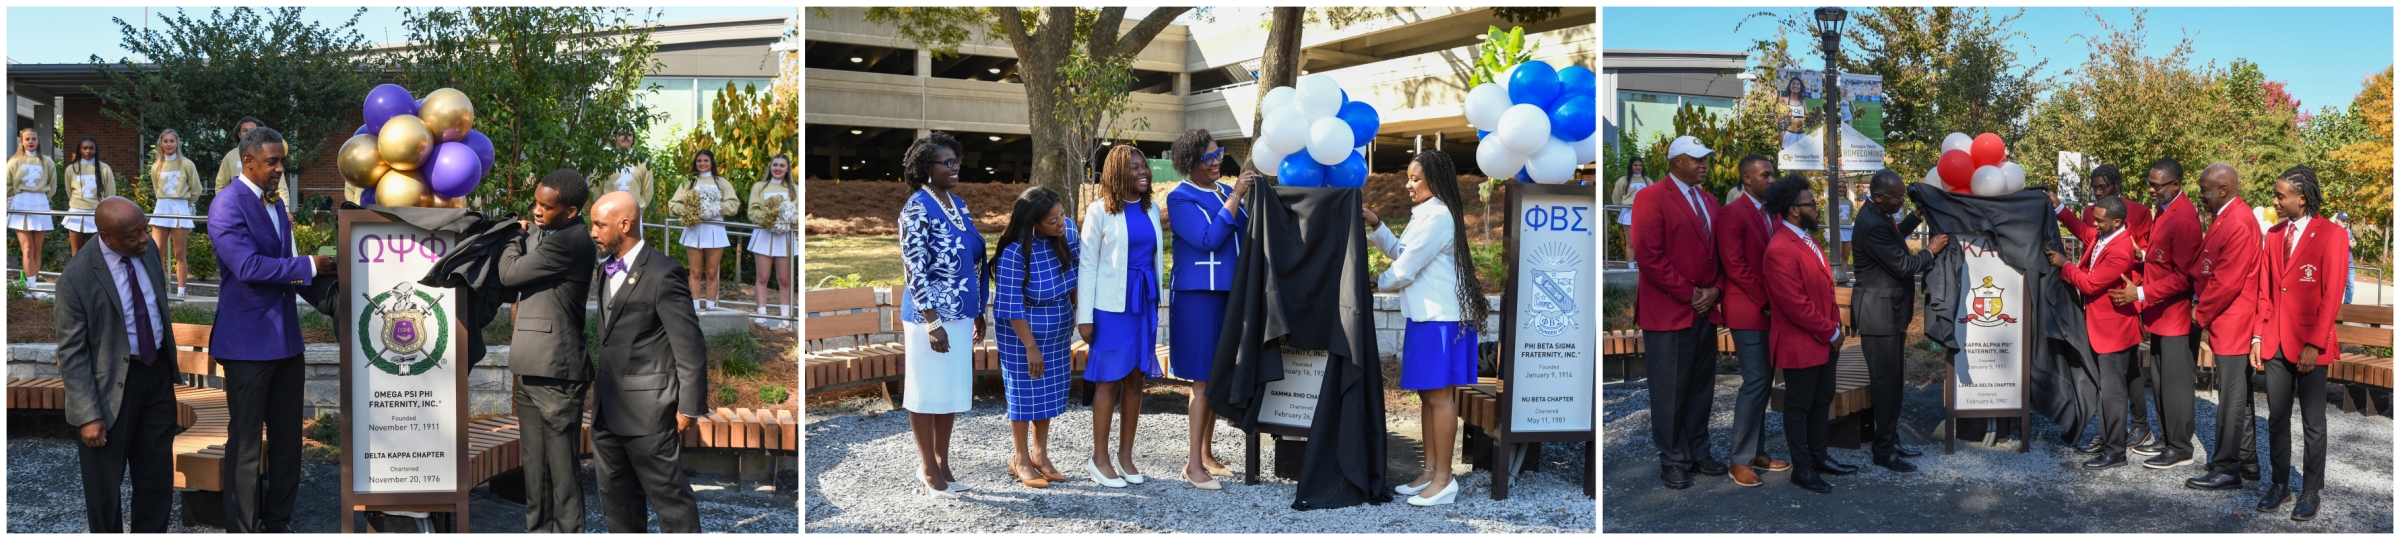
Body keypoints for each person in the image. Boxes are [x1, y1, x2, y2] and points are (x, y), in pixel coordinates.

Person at [205, 127, 335, 532]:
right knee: (245, 447)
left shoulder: (277, 205)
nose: (281, 168)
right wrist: (312, 264)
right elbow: (248, 268)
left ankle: (278, 523)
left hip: (286, 343)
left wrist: (342, 304)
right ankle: (242, 529)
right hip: (245, 346)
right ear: (247, 163)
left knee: (287, 445)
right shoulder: (226, 205)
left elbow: (289, 271)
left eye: (281, 161)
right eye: (272, 162)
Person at [1361, 150, 1491, 506]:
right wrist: (1376, 224)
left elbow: (1405, 269)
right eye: (1408, 177)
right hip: (1427, 317)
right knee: (1426, 394)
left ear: (1434, 180)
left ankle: (1445, 480)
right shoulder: (1427, 214)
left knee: (1439, 396)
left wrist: (1374, 281)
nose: (1408, 184)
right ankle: (1430, 471)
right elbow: (1404, 252)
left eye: (1415, 179)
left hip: (1441, 319)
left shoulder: (1437, 216)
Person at [585, 191, 706, 531]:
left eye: (599, 225)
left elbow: (690, 345)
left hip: (650, 413)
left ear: (625, 224)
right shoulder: (605, 269)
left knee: (670, 502)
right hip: (607, 409)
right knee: (617, 502)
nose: (593, 233)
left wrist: (689, 406)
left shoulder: (665, 273)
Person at [57, 197, 176, 532]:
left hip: (156, 378)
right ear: (107, 238)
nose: (144, 238)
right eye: (133, 235)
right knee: (104, 490)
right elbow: (72, 352)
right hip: (109, 390)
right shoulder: (76, 278)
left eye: (144, 228)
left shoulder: (146, 248)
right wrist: (87, 415)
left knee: (156, 481)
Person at [499, 171, 598, 533]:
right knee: (535, 471)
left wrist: (514, 236)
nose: (537, 211)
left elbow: (510, 275)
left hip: (558, 372)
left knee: (563, 475)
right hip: (530, 364)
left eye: (546, 206)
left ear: (571, 211)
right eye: (536, 203)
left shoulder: (571, 242)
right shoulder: (550, 233)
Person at [2254, 165, 2346, 521]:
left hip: (2310, 344)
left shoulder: (2332, 235)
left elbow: (2332, 293)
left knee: (2313, 422)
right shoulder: (2274, 235)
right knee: (2277, 417)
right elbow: (2266, 290)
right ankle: (2279, 483)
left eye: (2280, 196)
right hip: (2275, 341)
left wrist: (2314, 344)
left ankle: (2311, 490)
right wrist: (2258, 337)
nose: (2275, 201)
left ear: (2301, 198)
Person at [1632, 136, 1724, 489]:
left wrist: (1715, 289)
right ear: (1675, 161)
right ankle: (1673, 458)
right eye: (1697, 158)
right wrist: (1691, 294)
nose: (1704, 164)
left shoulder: (1710, 200)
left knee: (1701, 387)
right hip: (1669, 311)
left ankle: (1699, 451)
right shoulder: (1650, 197)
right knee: (1669, 390)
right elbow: (1650, 257)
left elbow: (1720, 252)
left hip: (1703, 309)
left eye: (1706, 158)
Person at [1163, 129, 1253, 489]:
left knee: (1215, 379)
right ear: (1190, 163)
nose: (1217, 162)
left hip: (1227, 294)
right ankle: (1191, 465)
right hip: (1198, 297)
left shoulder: (1219, 192)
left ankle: (1205, 453)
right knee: (1202, 380)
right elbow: (1208, 239)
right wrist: (1236, 196)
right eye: (1209, 158)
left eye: (1220, 154)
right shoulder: (1180, 198)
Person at [896, 132, 985, 498]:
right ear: (924, 168)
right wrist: (932, 321)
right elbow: (914, 268)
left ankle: (944, 464)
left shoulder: (957, 204)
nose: (954, 166)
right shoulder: (917, 207)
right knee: (925, 390)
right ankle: (927, 468)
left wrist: (978, 310)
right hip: (928, 318)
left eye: (956, 161)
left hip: (961, 314)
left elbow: (973, 257)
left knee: (949, 391)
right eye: (946, 162)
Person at [2106, 158, 2203, 470]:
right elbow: (2166, 257)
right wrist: (2145, 255)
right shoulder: (2164, 210)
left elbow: (2185, 276)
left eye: (2157, 185)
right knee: (2160, 382)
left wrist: (2142, 293)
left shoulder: (2185, 217)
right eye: (2149, 183)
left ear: (2176, 185)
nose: (2150, 189)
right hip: (2160, 314)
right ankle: (2166, 437)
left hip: (2174, 316)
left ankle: (2181, 448)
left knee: (2175, 385)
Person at [1077, 144, 1164, 489]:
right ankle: (1099, 459)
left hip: (1144, 302)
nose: (1144, 172)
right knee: (1108, 379)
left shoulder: (1152, 209)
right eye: (1135, 168)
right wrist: (1085, 317)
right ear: (1117, 174)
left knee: (1135, 379)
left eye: (1145, 167)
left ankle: (1125, 456)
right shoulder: (1100, 212)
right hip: (1111, 307)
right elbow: (1087, 265)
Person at [1850, 169, 1948, 472]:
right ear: (1879, 196)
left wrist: (1917, 215)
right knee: (1886, 385)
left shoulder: (1877, 214)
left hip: (1887, 314)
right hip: (1879, 317)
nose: (1900, 201)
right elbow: (1904, 266)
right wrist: (1930, 251)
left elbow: (1895, 235)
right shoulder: (1871, 224)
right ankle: (1884, 451)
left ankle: (1889, 440)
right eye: (1897, 198)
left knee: (1892, 383)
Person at [984, 186, 1078, 489]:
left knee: (1048, 393)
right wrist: (1031, 347)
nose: (1061, 222)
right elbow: (1010, 305)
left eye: (1062, 214)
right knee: (1024, 394)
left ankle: (1040, 454)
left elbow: (1079, 272)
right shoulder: (1015, 253)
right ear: (1033, 223)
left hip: (1057, 332)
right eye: (1053, 220)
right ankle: (1021, 458)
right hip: (1022, 334)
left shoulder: (1068, 234)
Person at [1711, 154, 1793, 487]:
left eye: (1773, 174)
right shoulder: (1731, 214)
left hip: (1769, 310)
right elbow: (1735, 267)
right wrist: (1767, 301)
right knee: (1756, 381)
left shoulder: (1771, 215)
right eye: (1766, 175)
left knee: (1764, 383)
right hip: (1748, 309)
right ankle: (1740, 460)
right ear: (1747, 179)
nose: (1772, 180)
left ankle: (1757, 452)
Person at [2066, 164, 2159, 452]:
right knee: (2114, 380)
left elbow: (2142, 259)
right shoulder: (2099, 224)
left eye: (2102, 186)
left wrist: (2065, 266)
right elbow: (2087, 234)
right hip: (2100, 314)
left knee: (2117, 383)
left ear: (2117, 185)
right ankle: (2110, 434)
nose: (2097, 192)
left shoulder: (2134, 221)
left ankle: (2124, 436)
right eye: (2094, 187)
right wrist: (2059, 211)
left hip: (2119, 308)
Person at [1759, 174, 1843, 493]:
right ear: (1794, 210)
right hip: (1802, 343)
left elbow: (1825, 290)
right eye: (1812, 204)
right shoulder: (1780, 248)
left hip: (1822, 340)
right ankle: (1802, 469)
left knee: (1821, 402)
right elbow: (1796, 305)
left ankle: (1819, 457)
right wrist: (1831, 332)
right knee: (1799, 408)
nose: (1817, 208)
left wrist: (1833, 328)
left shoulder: (1807, 239)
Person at [2046, 195, 2142, 471]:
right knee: (2106, 390)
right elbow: (2082, 230)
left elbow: (2089, 285)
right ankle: (2109, 440)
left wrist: (2065, 264)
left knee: (2112, 392)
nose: (2095, 224)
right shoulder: (2105, 235)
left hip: (2114, 331)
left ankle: (2115, 451)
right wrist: (2059, 208)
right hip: (2102, 327)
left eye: (2099, 220)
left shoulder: (2121, 249)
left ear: (2117, 221)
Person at [2186, 163, 2264, 491]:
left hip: (2234, 320)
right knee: (2239, 395)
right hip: (2228, 318)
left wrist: (2198, 314)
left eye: (2204, 190)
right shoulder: (2227, 217)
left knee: (2231, 397)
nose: (2200, 195)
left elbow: (2226, 281)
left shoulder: (2239, 222)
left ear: (2222, 190)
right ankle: (2247, 461)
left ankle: (2227, 467)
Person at [668, 149, 739, 311]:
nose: (702, 163)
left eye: (706, 160)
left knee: (712, 273)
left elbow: (733, 205)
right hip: (694, 229)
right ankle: (695, 307)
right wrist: (689, 210)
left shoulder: (721, 182)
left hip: (715, 230)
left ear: (712, 163)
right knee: (695, 271)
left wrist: (713, 208)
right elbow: (673, 204)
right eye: (699, 161)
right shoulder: (689, 181)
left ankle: (711, 307)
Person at [745, 153, 798, 329]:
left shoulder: (794, 189)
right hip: (764, 236)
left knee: (784, 279)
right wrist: (767, 218)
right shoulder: (759, 187)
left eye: (782, 165)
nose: (778, 168)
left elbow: (798, 215)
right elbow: (752, 211)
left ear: (788, 168)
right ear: (770, 167)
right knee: (762, 277)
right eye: (775, 164)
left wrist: (786, 219)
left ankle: (785, 319)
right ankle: (762, 316)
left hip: (784, 238)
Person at [146, 130, 201, 296]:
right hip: (162, 207)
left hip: (180, 208)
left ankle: (181, 293)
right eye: (166, 141)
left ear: (177, 143)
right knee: (157, 252)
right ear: (161, 144)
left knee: (179, 253)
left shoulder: (186, 164)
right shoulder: (156, 166)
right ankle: (161, 290)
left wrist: (186, 202)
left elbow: (196, 189)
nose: (169, 144)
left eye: (172, 141)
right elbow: (157, 189)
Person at [8, 126, 57, 288]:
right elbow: (6, 184)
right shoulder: (14, 162)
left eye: (33, 139)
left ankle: (34, 284)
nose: (31, 142)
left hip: (40, 204)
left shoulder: (46, 161)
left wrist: (41, 198)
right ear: (21, 142)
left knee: (37, 249)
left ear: (38, 141)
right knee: (27, 248)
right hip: (21, 204)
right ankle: (31, 287)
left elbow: (52, 185)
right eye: (27, 139)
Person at [60, 136, 118, 258]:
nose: (88, 151)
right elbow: (69, 191)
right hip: (76, 213)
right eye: (85, 148)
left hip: (96, 213)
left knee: (97, 253)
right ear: (79, 150)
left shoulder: (104, 169)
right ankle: (77, 277)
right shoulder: (71, 169)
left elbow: (110, 194)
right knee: (76, 253)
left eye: (91, 148)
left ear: (96, 150)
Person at [592, 130, 655, 210]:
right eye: (622, 134)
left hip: (634, 214)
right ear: (614, 137)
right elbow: (597, 190)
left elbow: (647, 192)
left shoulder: (642, 163)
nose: (625, 137)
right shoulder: (604, 162)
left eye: (629, 135)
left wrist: (638, 209)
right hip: (609, 212)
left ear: (633, 139)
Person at [1611, 157, 1650, 267]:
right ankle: (1631, 266)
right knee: (1630, 242)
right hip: (1629, 212)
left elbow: (1654, 196)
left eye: (1640, 165)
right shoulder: (1623, 180)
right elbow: (1616, 197)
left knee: (1644, 242)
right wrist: (1617, 208)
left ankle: (1644, 265)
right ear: (1631, 166)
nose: (1638, 167)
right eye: (1636, 165)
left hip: (1645, 212)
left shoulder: (1647, 180)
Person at [213, 116, 261, 194]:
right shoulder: (230, 156)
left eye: (252, 130)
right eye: (245, 130)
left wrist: (284, 206)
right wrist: (224, 204)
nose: (248, 133)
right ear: (239, 134)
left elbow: (280, 187)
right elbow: (220, 185)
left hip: (263, 203)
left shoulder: (268, 155)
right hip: (237, 203)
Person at [2333, 212, 2354, 304]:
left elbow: (2353, 241)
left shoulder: (2348, 230)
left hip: (2349, 261)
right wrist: (2347, 243)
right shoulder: (2332, 229)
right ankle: (2335, 304)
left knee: (2350, 285)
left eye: (2346, 220)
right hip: (2337, 262)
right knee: (2336, 285)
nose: (2345, 222)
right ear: (2337, 219)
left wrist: (2353, 243)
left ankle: (2347, 305)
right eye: (2343, 220)